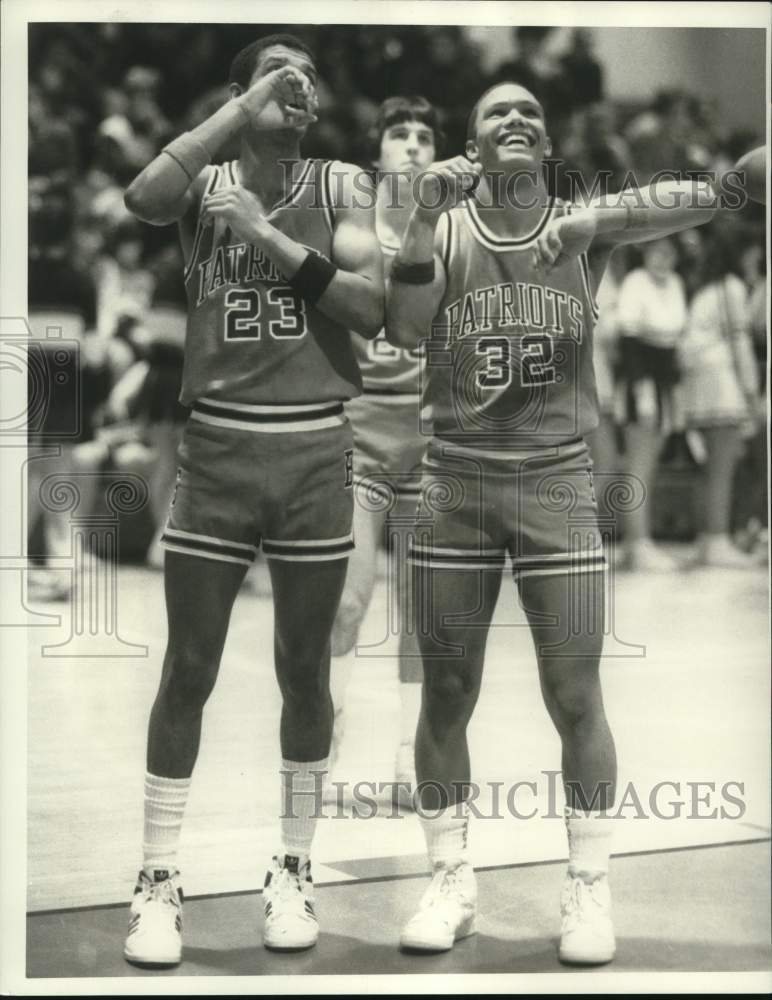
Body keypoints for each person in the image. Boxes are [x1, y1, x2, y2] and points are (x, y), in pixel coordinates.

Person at [385, 80, 716, 963]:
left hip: (558, 482)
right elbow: (411, 325)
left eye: (531, 110)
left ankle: (588, 887)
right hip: (455, 477)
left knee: (575, 695)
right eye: (496, 111)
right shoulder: (444, 224)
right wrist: (420, 219)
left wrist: (594, 221)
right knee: (448, 694)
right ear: (472, 143)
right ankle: (449, 877)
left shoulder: (580, 225)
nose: (517, 118)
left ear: (546, 140)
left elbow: (694, 199)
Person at [121, 34, 383, 965]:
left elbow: (369, 308)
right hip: (219, 445)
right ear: (239, 93)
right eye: (279, 74)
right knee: (188, 668)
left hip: (315, 447)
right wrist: (238, 115)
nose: (298, 87)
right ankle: (156, 879)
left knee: (306, 671)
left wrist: (264, 233)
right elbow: (141, 198)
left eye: (308, 76)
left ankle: (295, 865)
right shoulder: (201, 179)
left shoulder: (342, 186)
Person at [328, 97, 442, 803]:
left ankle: (409, 749)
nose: (412, 146)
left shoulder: (453, 224)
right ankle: (328, 735)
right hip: (360, 428)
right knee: (347, 599)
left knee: (422, 607)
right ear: (377, 153)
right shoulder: (351, 218)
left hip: (432, 433)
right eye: (398, 134)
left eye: (425, 136)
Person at [679, 227, 762, 566]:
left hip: (697, 385)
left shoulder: (705, 290)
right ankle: (717, 541)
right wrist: (752, 393)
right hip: (722, 383)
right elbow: (741, 346)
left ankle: (705, 541)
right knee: (723, 467)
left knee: (709, 468)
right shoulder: (733, 288)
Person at [614, 237, 688, 571]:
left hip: (665, 379)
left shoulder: (675, 283)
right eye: (656, 251)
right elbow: (629, 338)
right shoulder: (635, 283)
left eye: (669, 252)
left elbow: (674, 335)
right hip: (640, 378)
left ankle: (637, 543)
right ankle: (637, 543)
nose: (662, 258)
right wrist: (641, 388)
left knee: (651, 464)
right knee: (638, 465)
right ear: (644, 252)